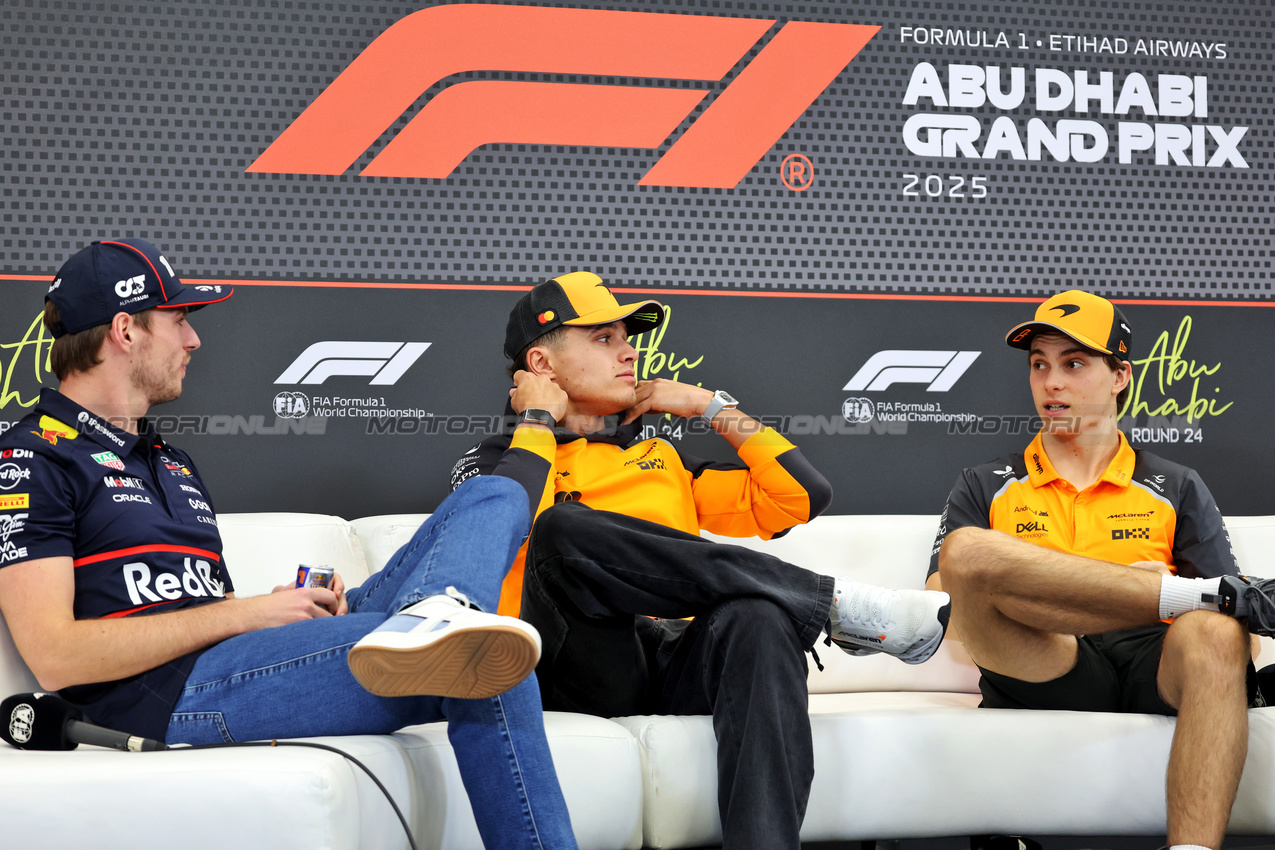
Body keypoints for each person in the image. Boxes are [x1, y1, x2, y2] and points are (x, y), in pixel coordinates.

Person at [0, 239, 578, 850]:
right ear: (125, 330)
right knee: (484, 657)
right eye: (179, 321)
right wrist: (249, 613)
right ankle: (434, 627)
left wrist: (279, 610)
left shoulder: (171, 460)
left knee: (491, 496)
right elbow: (56, 655)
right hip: (160, 699)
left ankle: (433, 613)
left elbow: (200, 613)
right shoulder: (33, 457)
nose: (194, 341)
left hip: (224, 661)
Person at [450, 271, 953, 850]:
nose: (628, 351)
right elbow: (498, 529)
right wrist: (536, 423)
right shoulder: (495, 461)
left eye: (627, 337)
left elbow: (800, 496)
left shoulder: (659, 457)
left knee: (758, 616)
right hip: (574, 665)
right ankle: (830, 603)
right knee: (562, 531)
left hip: (672, 659)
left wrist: (709, 406)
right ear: (542, 364)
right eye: (603, 338)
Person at [927, 289, 1275, 850]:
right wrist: (1136, 590)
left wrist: (1059, 583)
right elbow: (948, 612)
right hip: (1043, 654)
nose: (1051, 382)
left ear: (1119, 377)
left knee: (1217, 626)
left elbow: (1248, 647)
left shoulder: (1176, 484)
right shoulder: (985, 482)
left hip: (1151, 662)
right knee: (968, 554)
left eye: (1073, 363)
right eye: (1039, 364)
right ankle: (1162, 596)